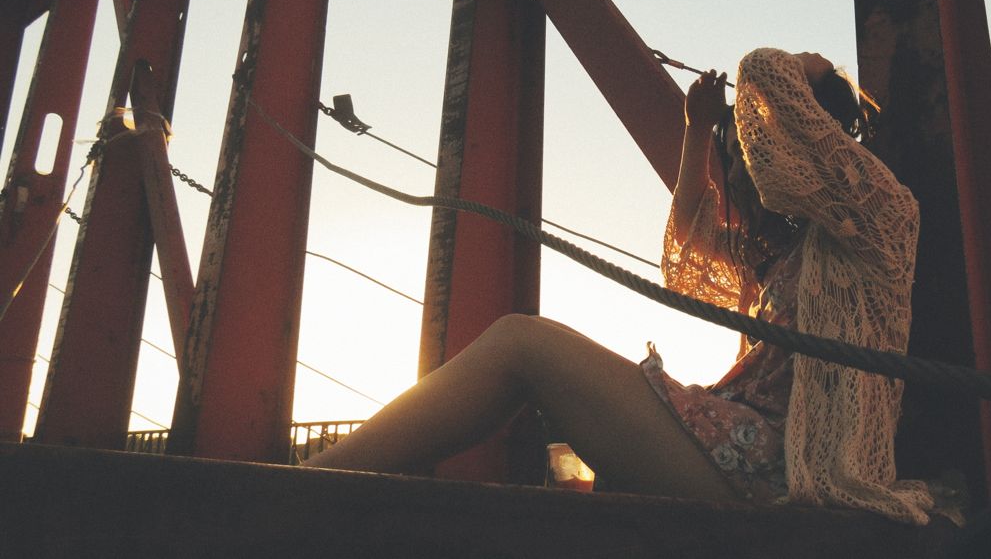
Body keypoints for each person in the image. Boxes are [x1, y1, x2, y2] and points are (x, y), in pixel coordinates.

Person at [305, 47, 934, 524]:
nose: (754, 149)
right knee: (520, 344)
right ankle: (305, 483)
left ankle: (298, 487)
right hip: (746, 450)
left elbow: (762, 69)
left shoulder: (881, 216)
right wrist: (696, 131)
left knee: (521, 344)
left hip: (786, 469)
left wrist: (790, 71)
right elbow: (689, 243)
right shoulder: (789, 248)